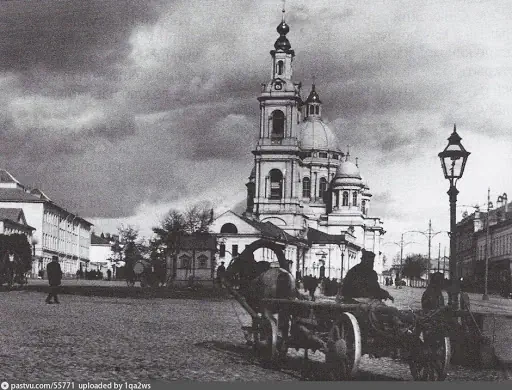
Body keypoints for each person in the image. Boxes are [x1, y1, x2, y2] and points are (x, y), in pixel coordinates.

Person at [341, 250, 412, 335]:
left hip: (364, 300)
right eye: (370, 261)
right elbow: (368, 289)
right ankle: (397, 326)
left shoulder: (365, 272)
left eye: (372, 262)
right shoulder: (357, 272)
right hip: (357, 300)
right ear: (364, 260)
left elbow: (375, 288)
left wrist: (386, 294)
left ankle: (394, 325)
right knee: (388, 310)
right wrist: (382, 295)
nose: (372, 264)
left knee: (386, 310)